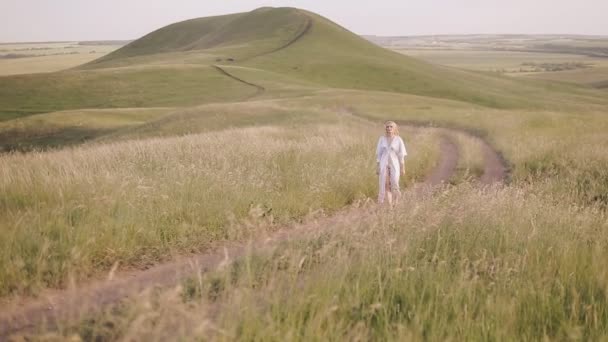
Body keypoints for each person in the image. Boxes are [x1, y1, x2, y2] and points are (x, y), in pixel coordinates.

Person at [376, 121, 407, 205]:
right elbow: (379, 154)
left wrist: (402, 167)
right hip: (384, 164)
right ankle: (389, 206)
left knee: (395, 183)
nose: (389, 128)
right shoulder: (382, 139)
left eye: (391, 127)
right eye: (387, 127)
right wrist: (378, 166)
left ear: (394, 129)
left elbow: (401, 155)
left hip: (395, 164)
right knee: (385, 185)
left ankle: (396, 202)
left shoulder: (398, 139)